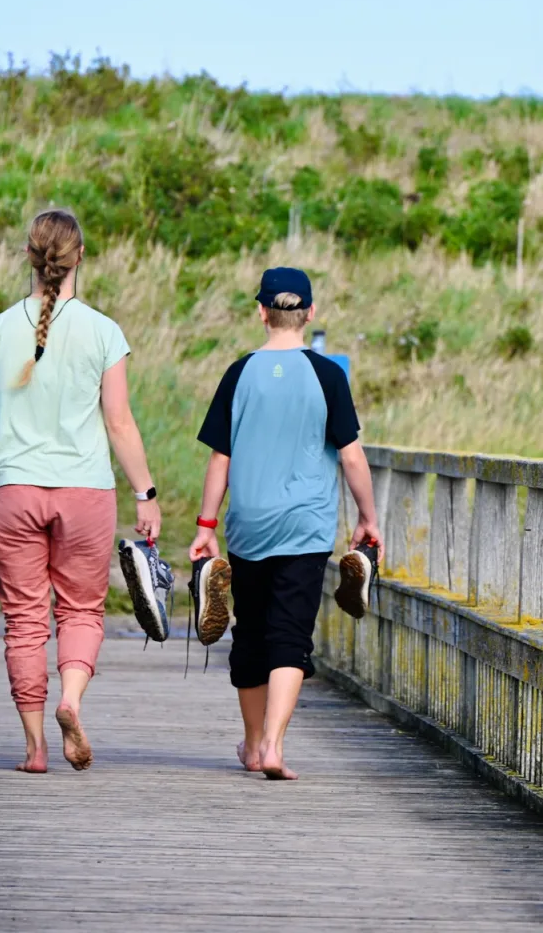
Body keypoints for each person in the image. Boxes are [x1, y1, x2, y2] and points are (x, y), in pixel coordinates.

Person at [0, 208, 161, 774]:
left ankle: (35, 748)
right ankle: (70, 700)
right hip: (85, 492)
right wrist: (145, 493)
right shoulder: (104, 331)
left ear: (29, 255)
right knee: (82, 609)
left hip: (14, 491)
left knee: (24, 620)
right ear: (79, 258)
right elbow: (119, 422)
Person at [189, 266, 383, 780]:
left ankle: (253, 746)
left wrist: (206, 525)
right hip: (305, 527)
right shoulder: (328, 375)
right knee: (290, 632)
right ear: (310, 313)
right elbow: (352, 457)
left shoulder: (239, 373)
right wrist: (367, 518)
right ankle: (275, 745)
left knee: (250, 631)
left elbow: (220, 459)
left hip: (249, 525)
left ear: (261, 312)